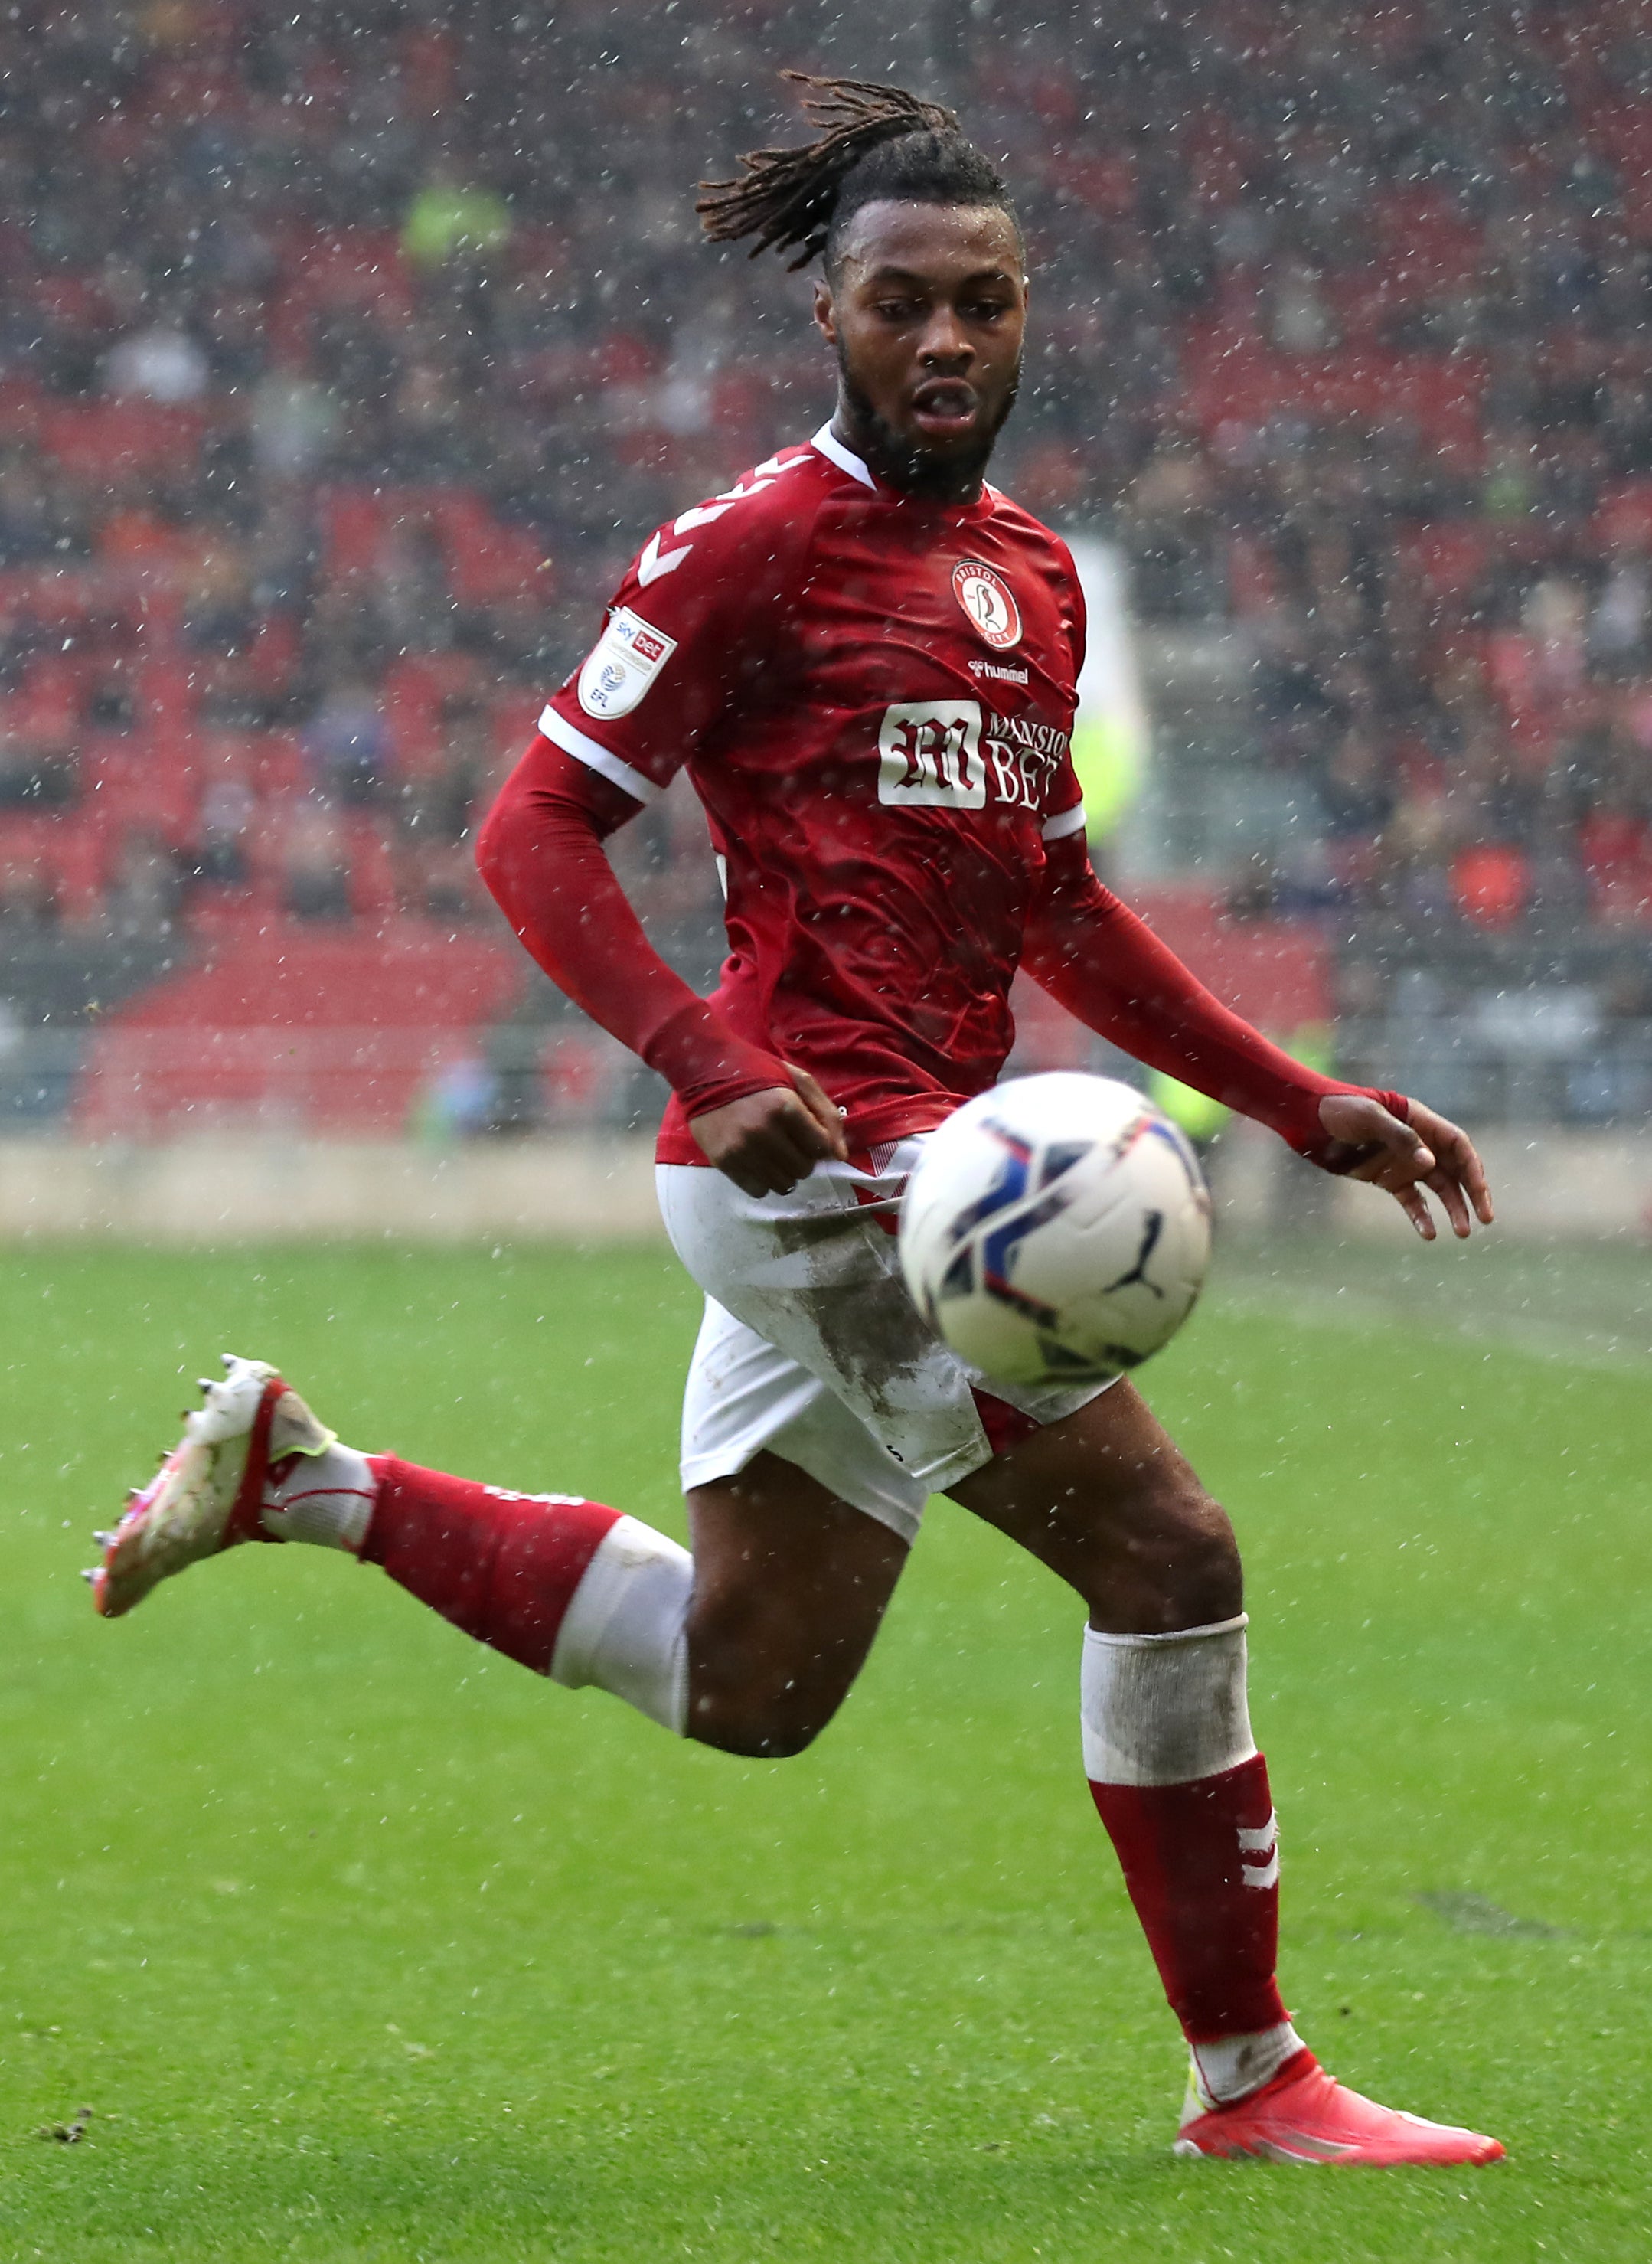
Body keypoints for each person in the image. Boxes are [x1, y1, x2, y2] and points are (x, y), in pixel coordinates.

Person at [90, 77, 1501, 2168]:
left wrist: (1297, 1104)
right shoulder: (752, 545)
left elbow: (1055, 897)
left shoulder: (1032, 575)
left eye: (986, 304)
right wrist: (702, 1053)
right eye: (902, 303)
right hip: (833, 1168)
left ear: (1031, 318)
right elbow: (534, 827)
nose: (947, 341)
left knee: (755, 1683)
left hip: (910, 1155)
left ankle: (312, 1484)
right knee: (1172, 1553)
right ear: (828, 320)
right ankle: (1253, 2084)